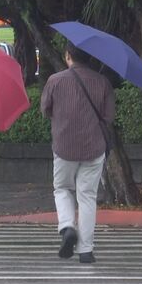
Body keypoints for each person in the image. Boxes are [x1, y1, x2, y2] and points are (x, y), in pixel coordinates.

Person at [40, 44, 115, 264]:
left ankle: (67, 227)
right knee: (87, 197)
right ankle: (86, 251)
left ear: (68, 56)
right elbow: (108, 117)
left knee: (62, 188)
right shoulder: (103, 82)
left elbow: (45, 110)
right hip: (94, 147)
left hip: (64, 146)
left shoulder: (55, 80)